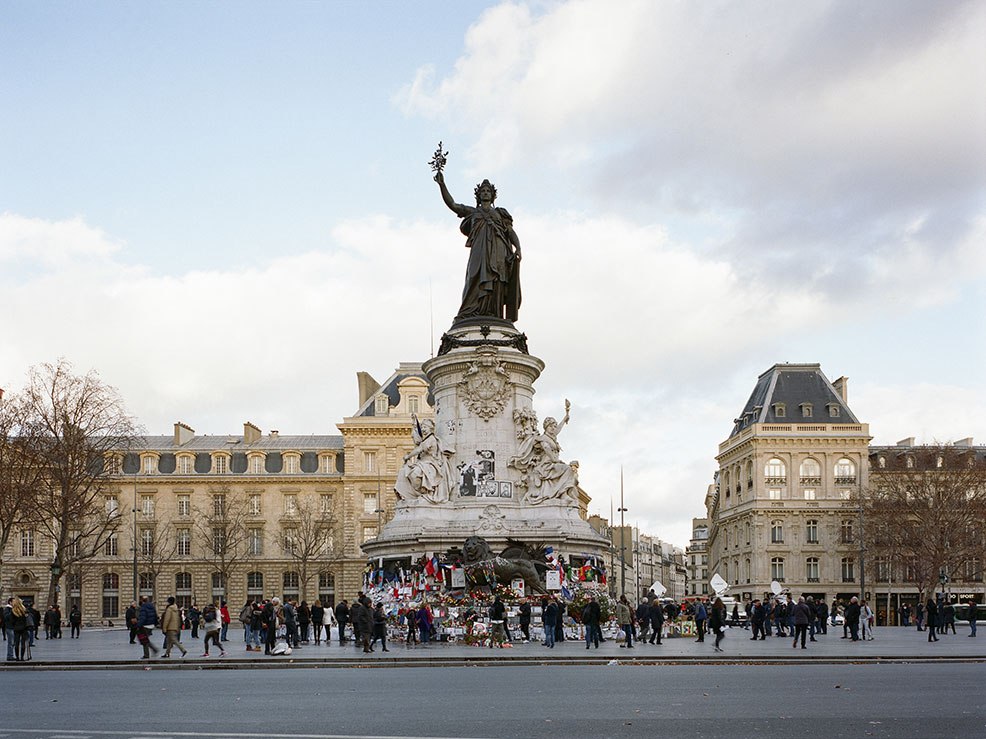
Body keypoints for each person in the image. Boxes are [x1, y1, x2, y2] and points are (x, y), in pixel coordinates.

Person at [434, 169, 522, 323]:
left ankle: (494, 314)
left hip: (499, 252)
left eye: (488, 191)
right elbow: (452, 204)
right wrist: (442, 185)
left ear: (493, 195)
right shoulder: (472, 212)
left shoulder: (500, 214)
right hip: (479, 251)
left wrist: (518, 247)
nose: (486, 193)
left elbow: (510, 232)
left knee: (497, 281)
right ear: (478, 194)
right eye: (483, 191)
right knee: (474, 277)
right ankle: (471, 311)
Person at [395, 419, 456, 504]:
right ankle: (411, 494)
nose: (423, 429)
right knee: (403, 472)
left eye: (425, 427)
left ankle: (426, 493)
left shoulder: (431, 439)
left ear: (430, 428)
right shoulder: (425, 439)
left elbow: (419, 449)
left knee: (415, 473)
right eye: (422, 427)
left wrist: (408, 456)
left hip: (431, 464)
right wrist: (415, 426)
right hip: (423, 463)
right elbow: (417, 441)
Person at [10, 597, 29, 661]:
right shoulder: (24, 610)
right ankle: (22, 657)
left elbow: (11, 621)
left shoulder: (13, 611)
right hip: (24, 628)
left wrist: (14, 625)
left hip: (16, 628)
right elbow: (27, 618)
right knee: (23, 643)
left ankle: (17, 657)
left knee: (16, 643)